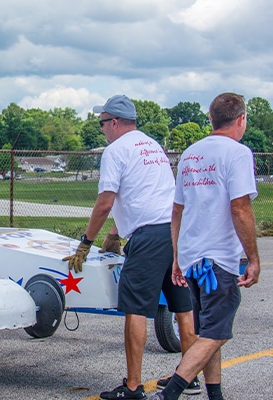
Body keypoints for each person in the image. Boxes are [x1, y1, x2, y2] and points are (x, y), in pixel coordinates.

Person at [62, 95, 198, 399]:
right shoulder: (152, 146)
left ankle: (134, 386)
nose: (102, 130)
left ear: (114, 122)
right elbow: (148, 195)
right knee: (183, 308)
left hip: (148, 239)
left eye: (102, 124)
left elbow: (105, 202)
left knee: (135, 310)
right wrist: (116, 231)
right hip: (177, 233)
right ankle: (188, 377)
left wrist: (86, 243)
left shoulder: (115, 151)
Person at [150, 93, 260, 400]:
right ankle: (169, 394)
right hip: (218, 260)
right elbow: (240, 208)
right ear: (241, 120)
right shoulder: (238, 153)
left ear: (211, 119)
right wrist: (253, 258)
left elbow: (177, 210)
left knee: (208, 332)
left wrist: (177, 257)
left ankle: (216, 395)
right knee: (216, 334)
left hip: (192, 257)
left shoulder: (190, 154)